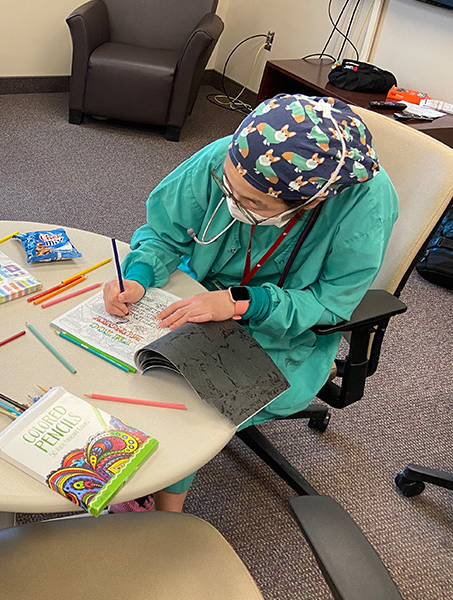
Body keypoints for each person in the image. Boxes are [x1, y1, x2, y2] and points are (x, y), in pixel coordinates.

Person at [103, 93, 399, 513]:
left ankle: (165, 522)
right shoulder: (241, 155)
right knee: (121, 364)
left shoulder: (364, 209)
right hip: (194, 295)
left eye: (253, 203)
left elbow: (330, 305)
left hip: (282, 333)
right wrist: (138, 276)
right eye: (228, 188)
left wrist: (244, 303)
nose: (232, 203)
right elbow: (163, 231)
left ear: (311, 202)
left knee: (186, 405)